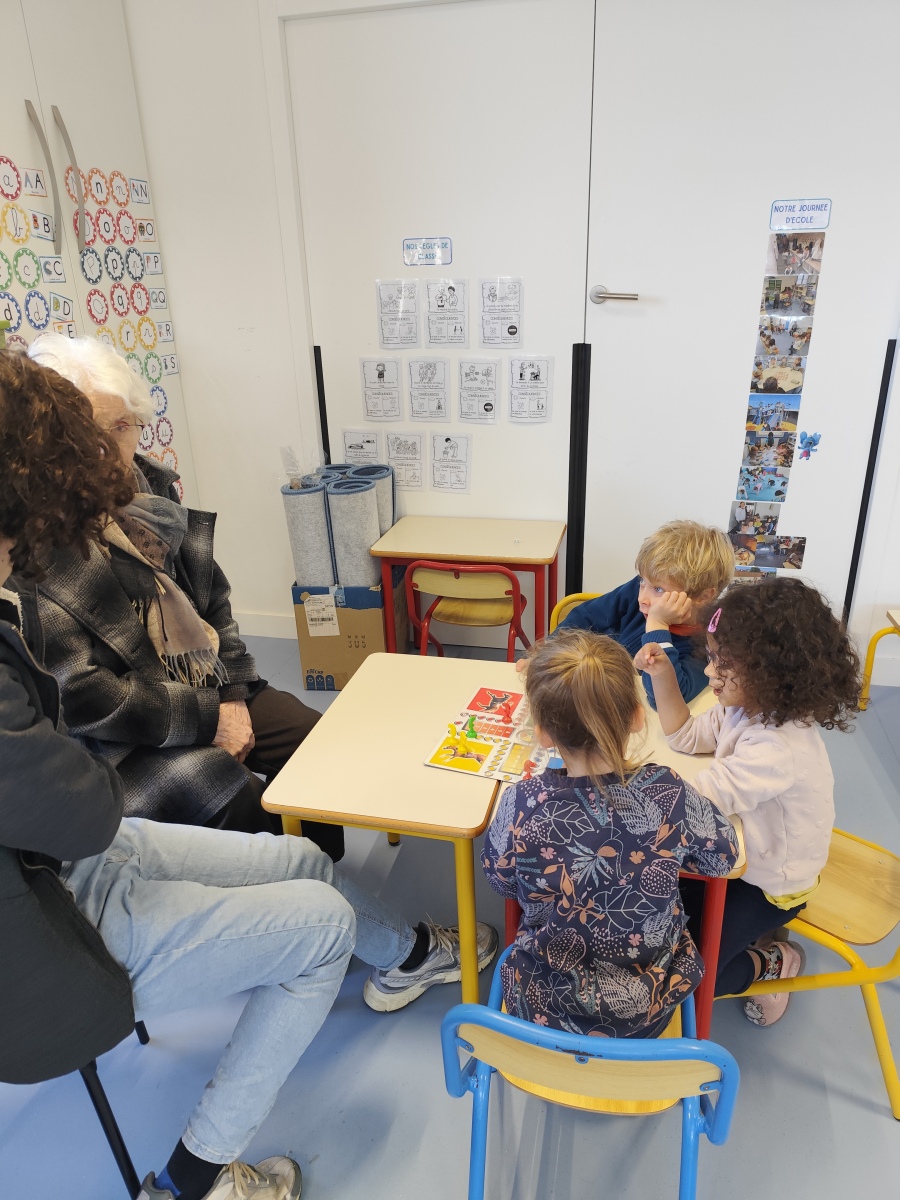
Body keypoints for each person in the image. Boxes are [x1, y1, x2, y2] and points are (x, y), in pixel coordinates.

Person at [0, 351, 498, 1200]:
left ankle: (410, 953)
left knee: (302, 849)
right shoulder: (32, 584)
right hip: (49, 926)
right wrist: (192, 719)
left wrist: (225, 697)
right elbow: (80, 762)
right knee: (314, 919)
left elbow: (212, 621)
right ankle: (189, 1183)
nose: (17, 563)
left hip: (77, 852)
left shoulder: (140, 506)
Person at [25, 334, 342, 859]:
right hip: (121, 737)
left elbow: (212, 597)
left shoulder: (152, 490)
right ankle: (274, 893)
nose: (107, 450)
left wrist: (232, 696)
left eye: (121, 426)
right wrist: (209, 720)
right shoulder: (32, 538)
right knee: (233, 793)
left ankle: (324, 875)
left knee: (316, 738)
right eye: (85, 433)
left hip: (202, 683)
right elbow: (82, 695)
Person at [482, 630, 739, 1037]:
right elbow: (723, 857)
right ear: (637, 717)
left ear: (543, 732)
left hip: (541, 1009)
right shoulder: (666, 791)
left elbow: (501, 880)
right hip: (648, 1013)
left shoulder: (521, 803)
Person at [634, 577, 860, 1027]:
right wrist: (662, 676)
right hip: (739, 854)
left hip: (770, 885)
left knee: (691, 976)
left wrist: (619, 794)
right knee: (659, 922)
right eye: (712, 658)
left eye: (725, 665)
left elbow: (698, 797)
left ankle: (772, 963)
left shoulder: (777, 746)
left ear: (773, 674)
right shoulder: (746, 708)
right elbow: (685, 736)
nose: (710, 674)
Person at [557, 520, 734, 706]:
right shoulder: (637, 592)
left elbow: (663, 700)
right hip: (591, 692)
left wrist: (657, 626)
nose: (642, 597)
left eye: (658, 589)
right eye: (642, 581)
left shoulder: (710, 646)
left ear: (704, 596)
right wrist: (549, 656)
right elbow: (583, 617)